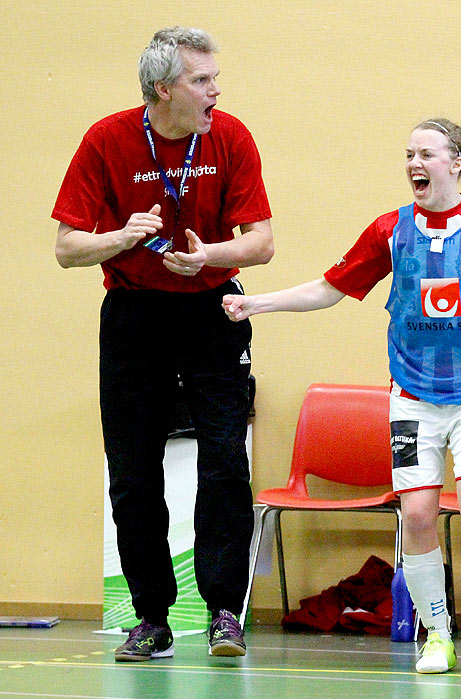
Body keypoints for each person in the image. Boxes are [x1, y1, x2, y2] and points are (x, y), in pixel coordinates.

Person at [222, 117, 461, 674]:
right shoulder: (391, 229)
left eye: (427, 154)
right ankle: (437, 633)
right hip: (413, 398)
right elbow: (328, 288)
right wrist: (256, 304)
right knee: (417, 513)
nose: (414, 164)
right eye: (409, 154)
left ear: (455, 163)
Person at [52, 27, 274, 661]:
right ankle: (150, 617)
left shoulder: (229, 135)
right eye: (202, 80)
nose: (216, 91)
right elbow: (67, 247)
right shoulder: (106, 139)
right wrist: (122, 236)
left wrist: (212, 254)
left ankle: (225, 612)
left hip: (214, 310)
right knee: (133, 470)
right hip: (134, 316)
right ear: (163, 89)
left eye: (214, 78)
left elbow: (260, 242)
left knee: (226, 463)